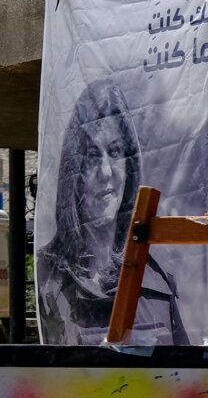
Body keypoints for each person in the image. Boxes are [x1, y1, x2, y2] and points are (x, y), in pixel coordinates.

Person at [38, 79, 187, 345]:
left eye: (115, 151)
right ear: (74, 170)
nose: (106, 172)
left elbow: (188, 382)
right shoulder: (48, 276)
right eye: (92, 154)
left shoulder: (156, 279)